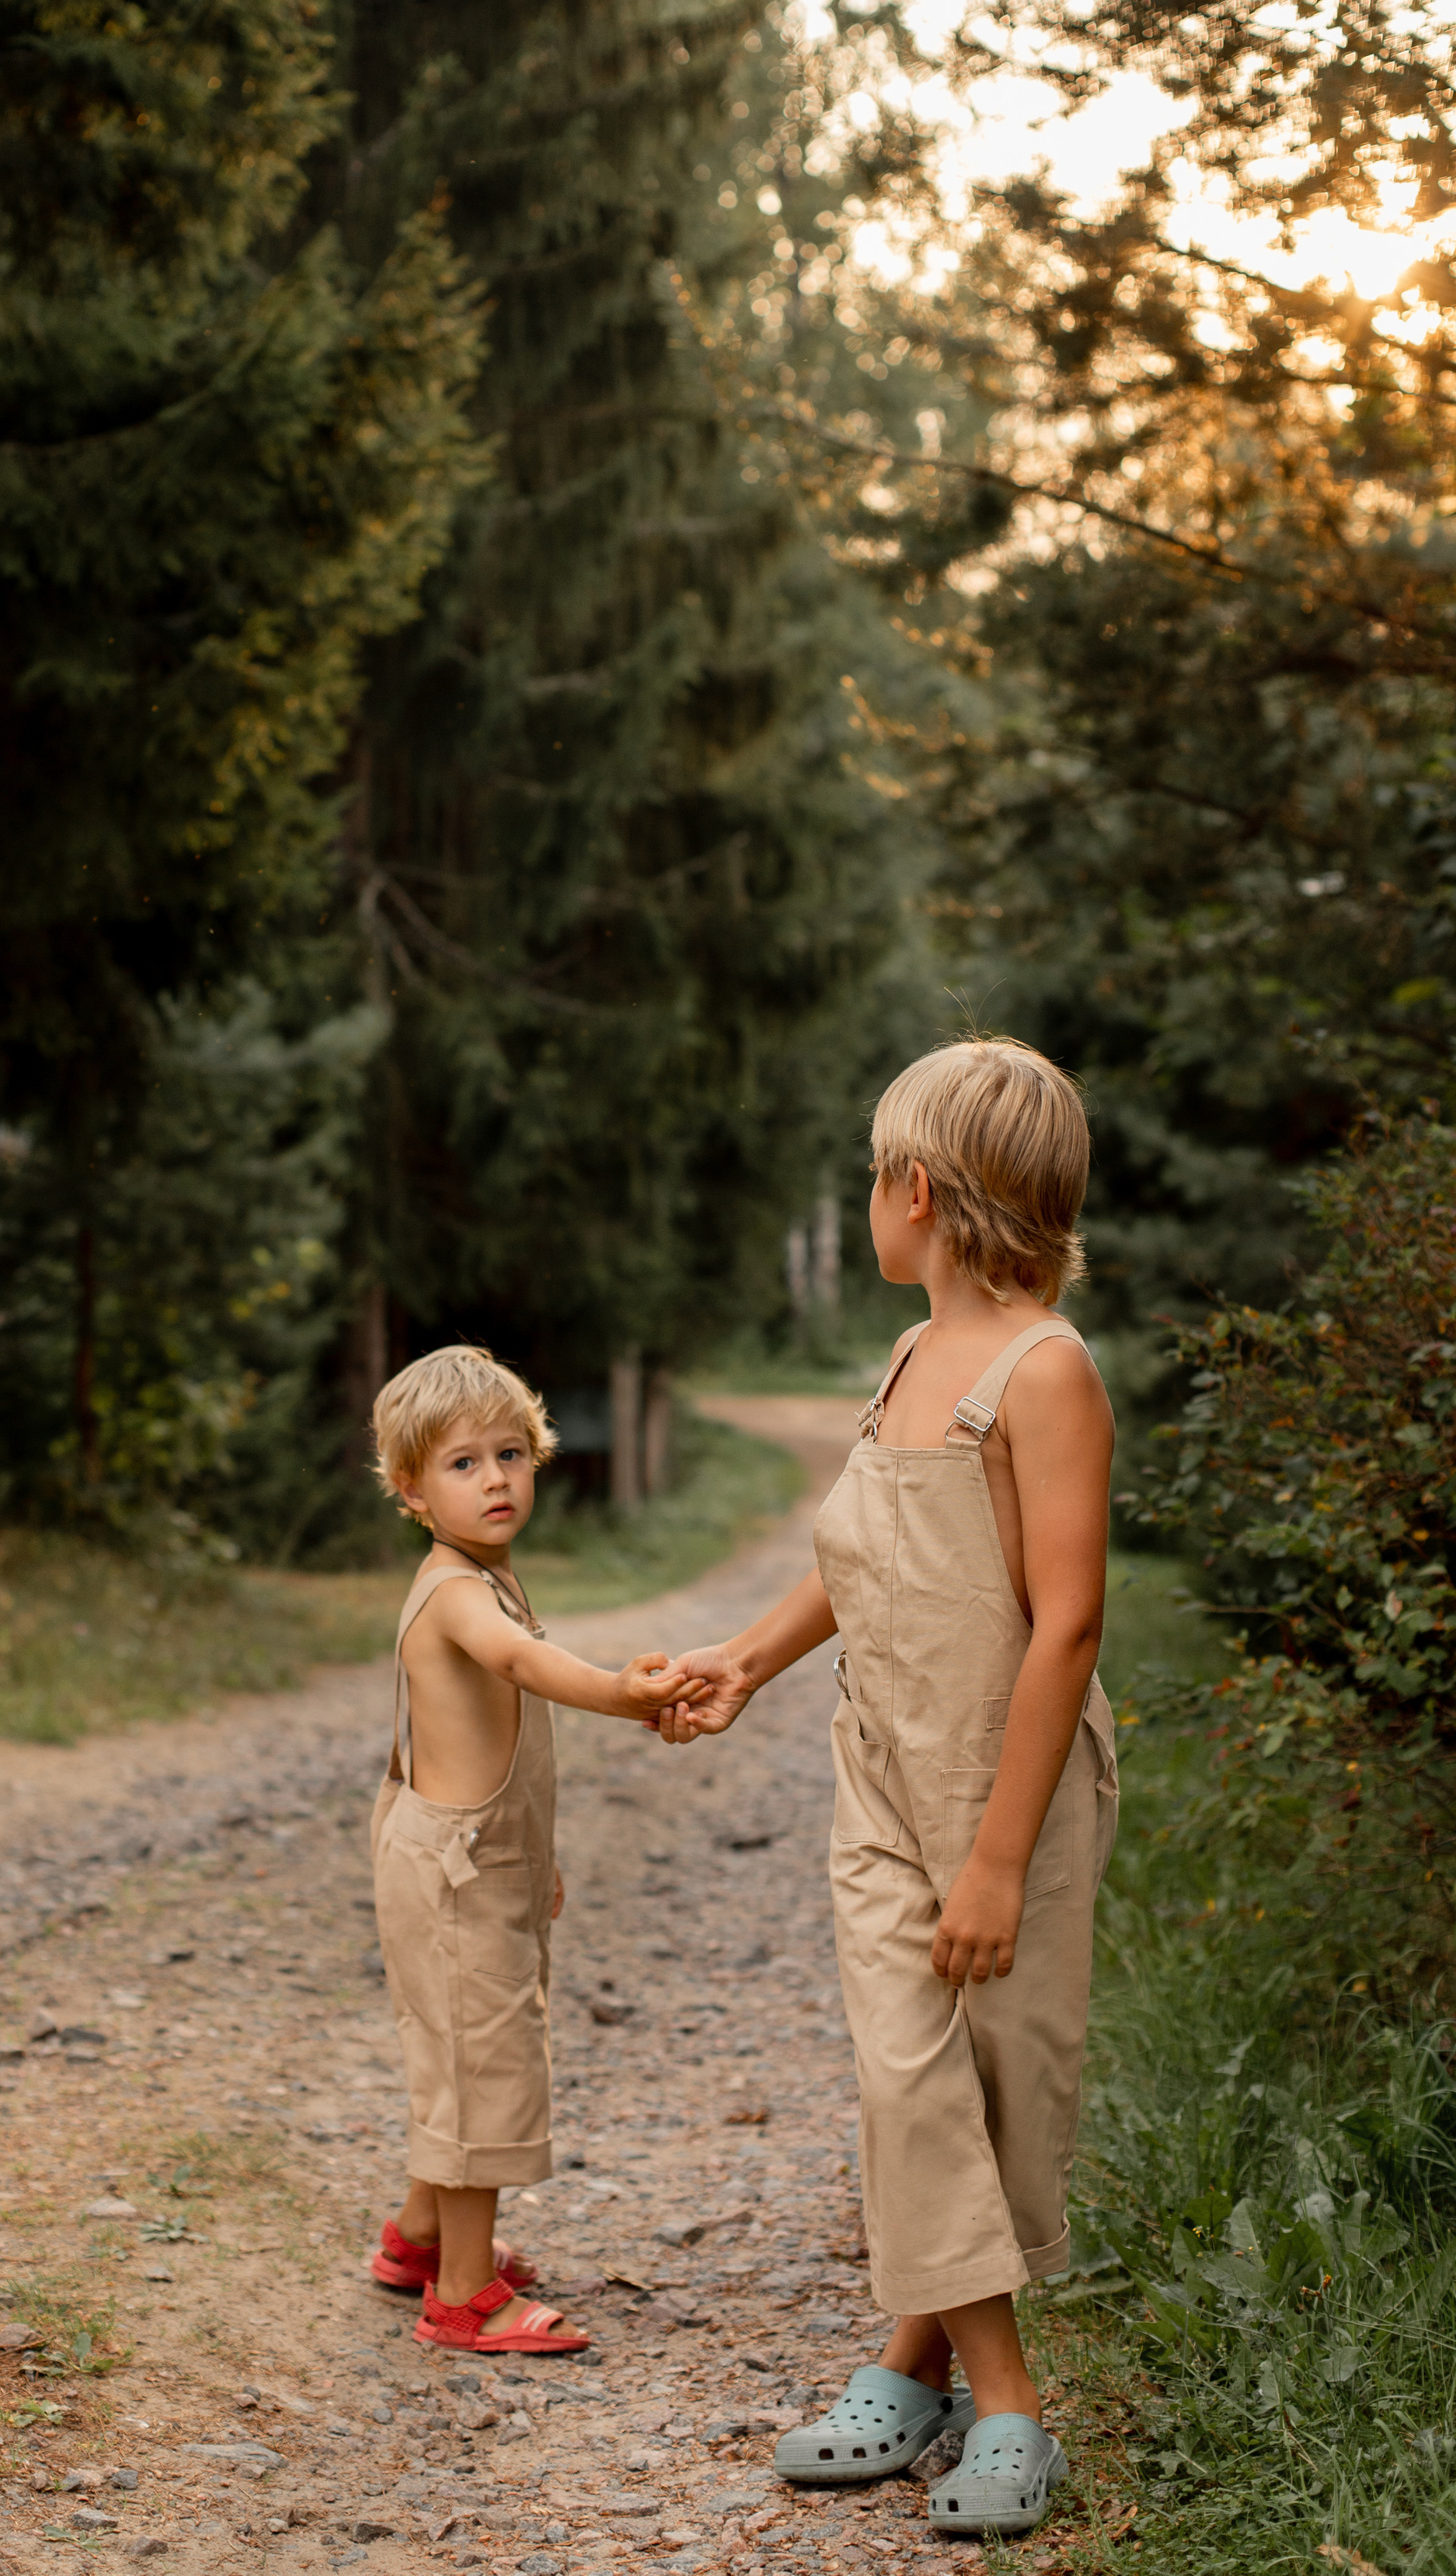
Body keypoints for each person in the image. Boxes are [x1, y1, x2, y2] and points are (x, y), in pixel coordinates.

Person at [659, 1037, 1120, 2537]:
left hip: (1011, 1794)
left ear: (916, 1192)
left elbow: (1069, 1624)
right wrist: (748, 1657)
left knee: (997, 2091)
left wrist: (995, 1859)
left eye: (873, 1176)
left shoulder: (1044, 1374)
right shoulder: (912, 1356)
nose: (870, 1200)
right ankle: (1008, 2411)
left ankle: (914, 2364)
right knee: (905, 2076)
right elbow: (862, 1562)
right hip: (881, 1774)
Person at [364, 1343, 687, 2355]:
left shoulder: (485, 1571)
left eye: (511, 1453)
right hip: (455, 1870)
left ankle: (419, 2237)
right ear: (412, 1488)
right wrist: (624, 1694)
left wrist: (528, 1858)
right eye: (463, 1464)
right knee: (482, 2067)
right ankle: (463, 2296)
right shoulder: (459, 1593)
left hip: (479, 1858)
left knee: (466, 2049)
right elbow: (522, 1665)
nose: (496, 1478)